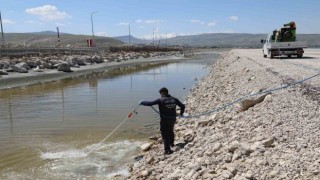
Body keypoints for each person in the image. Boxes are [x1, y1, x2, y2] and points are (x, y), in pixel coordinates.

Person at [139, 87, 185, 155]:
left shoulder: (160, 100)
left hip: (164, 120)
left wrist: (142, 102)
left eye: (161, 94)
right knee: (170, 130)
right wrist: (181, 114)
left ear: (162, 93)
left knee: (164, 134)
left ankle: (167, 150)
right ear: (167, 92)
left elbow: (150, 103)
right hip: (172, 119)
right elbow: (182, 106)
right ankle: (171, 144)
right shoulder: (174, 99)